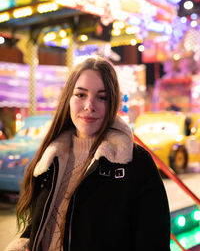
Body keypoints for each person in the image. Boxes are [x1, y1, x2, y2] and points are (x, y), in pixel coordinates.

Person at [5, 56, 171, 251]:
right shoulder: (50, 158)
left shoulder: (136, 163)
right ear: (68, 98)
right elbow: (43, 224)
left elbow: (154, 243)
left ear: (113, 103)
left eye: (102, 97)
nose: (89, 106)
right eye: (81, 95)